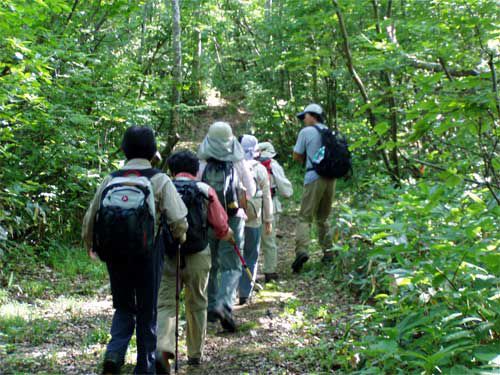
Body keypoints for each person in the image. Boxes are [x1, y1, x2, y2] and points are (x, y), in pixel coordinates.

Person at [82, 126, 188, 374]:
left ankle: (114, 354)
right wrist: (180, 237)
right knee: (147, 309)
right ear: (153, 151)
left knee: (123, 305)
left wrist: (91, 245)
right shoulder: (159, 179)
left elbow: (90, 217)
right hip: (147, 254)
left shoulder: (111, 178)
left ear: (124, 149)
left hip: (115, 254)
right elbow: (179, 220)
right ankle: (145, 367)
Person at [156, 150, 234, 372]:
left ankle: (163, 348)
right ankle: (195, 354)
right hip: (198, 253)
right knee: (197, 302)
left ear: (171, 169)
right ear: (195, 170)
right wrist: (228, 234)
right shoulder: (204, 190)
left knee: (165, 302)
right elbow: (220, 225)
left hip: (168, 253)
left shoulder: (163, 188)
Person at [198, 122, 256, 332]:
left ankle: (212, 307)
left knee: (210, 263)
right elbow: (251, 188)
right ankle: (224, 304)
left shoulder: (202, 161)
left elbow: (196, 186)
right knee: (232, 265)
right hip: (233, 218)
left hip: (207, 219)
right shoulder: (237, 160)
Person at [292, 104, 336, 273]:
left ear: (313, 116)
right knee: (323, 218)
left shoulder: (306, 132)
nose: (303, 119)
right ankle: (329, 252)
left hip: (314, 177)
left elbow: (296, 155)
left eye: (305, 116)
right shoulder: (329, 131)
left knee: (304, 217)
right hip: (331, 178)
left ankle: (301, 251)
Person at [237, 135, 273, 305]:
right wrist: (268, 219)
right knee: (251, 254)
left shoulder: (233, 166)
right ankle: (245, 291)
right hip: (254, 216)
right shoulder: (260, 169)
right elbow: (267, 195)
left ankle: (230, 291)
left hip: (234, 215)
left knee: (234, 254)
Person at [257, 141, 293, 282]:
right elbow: (286, 191)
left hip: (250, 206)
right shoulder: (272, 165)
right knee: (269, 238)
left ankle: (246, 272)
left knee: (250, 239)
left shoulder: (247, 163)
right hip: (270, 204)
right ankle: (270, 272)